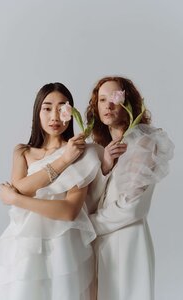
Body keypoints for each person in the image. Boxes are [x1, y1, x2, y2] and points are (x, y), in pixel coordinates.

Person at [0, 82, 101, 300]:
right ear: (37, 112)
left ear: (71, 113)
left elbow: (69, 211)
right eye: (47, 108)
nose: (55, 116)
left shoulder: (81, 153)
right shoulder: (23, 152)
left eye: (62, 108)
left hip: (65, 247)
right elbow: (20, 188)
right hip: (26, 243)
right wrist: (61, 163)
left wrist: (16, 199)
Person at [86, 76, 174, 300]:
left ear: (129, 103)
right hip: (101, 246)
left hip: (128, 243)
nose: (108, 105)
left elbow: (133, 207)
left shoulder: (144, 143)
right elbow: (93, 201)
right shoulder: (102, 150)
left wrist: (88, 225)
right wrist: (105, 166)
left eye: (115, 97)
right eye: (102, 99)